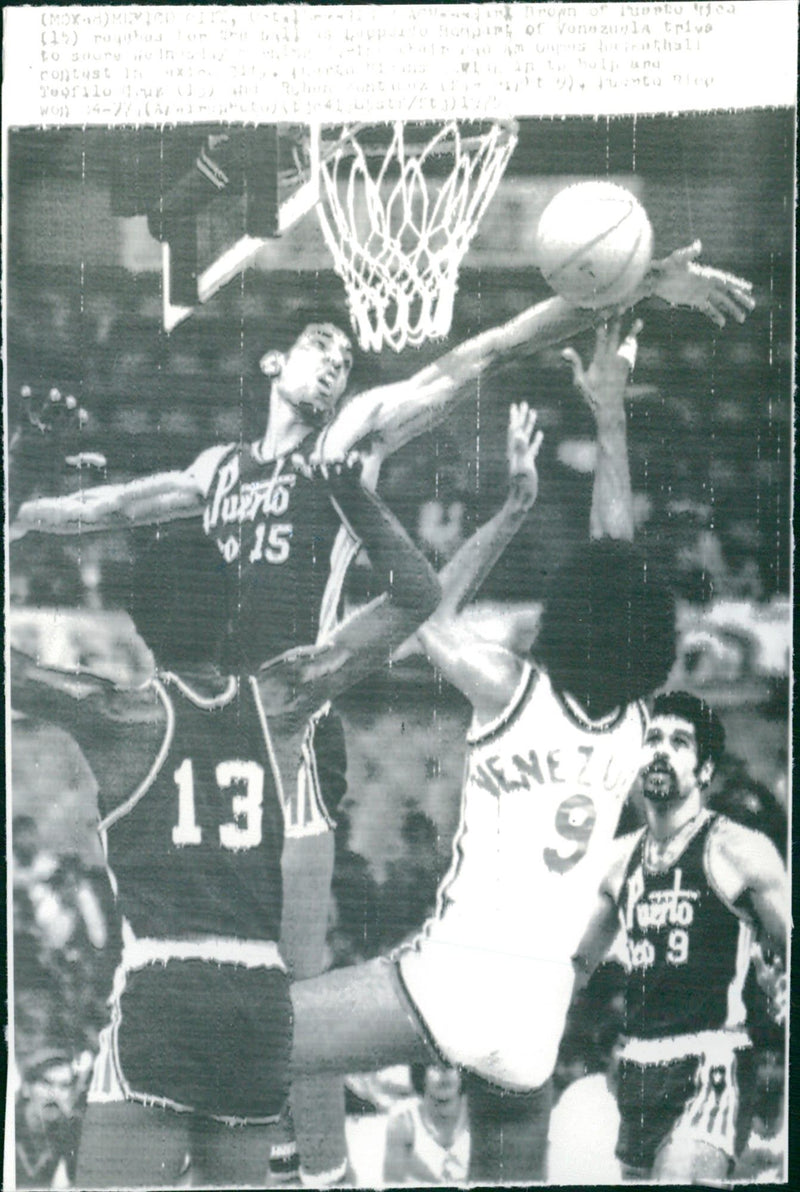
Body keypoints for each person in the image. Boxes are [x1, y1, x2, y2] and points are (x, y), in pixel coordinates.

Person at [9, 243, 754, 1180]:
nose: (337, 356)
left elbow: (477, 355)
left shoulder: (349, 439)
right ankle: (272, 1157)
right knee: (219, 985)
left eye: (347, 354)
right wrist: (23, 508)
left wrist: (603, 295)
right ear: (273, 364)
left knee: (257, 1005)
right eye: (318, 343)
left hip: (287, 730)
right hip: (521, 1004)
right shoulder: (213, 471)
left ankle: (312, 1170)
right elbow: (98, 507)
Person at [285, 318, 679, 1185]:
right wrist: (608, 413)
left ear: (570, 613)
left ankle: (324, 1181)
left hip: (460, 983)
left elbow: (427, 605)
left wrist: (514, 509)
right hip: (540, 1018)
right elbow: (621, 558)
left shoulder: (512, 689)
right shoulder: (633, 723)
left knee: (261, 1034)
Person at [10, 457, 441, 1189]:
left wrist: (14, 519)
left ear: (139, 622)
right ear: (232, 609)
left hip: (165, 996)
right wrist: (350, 493)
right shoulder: (281, 702)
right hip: (258, 1009)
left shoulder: (116, 716)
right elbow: (418, 592)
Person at [572, 691, 789, 1183]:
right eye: (653, 739)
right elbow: (577, 966)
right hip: (637, 1066)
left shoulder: (740, 850)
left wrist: (780, 994)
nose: (661, 751)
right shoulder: (617, 860)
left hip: (712, 1061)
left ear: (705, 771)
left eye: (680, 742)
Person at [383, 1065, 470, 1186]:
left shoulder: (480, 1116)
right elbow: (392, 1183)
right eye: (434, 1065)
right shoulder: (404, 1119)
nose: (444, 1073)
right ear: (421, 1073)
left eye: (451, 1065)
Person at [15, 1047, 82, 1190]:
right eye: (46, 1083)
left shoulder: (76, 1134)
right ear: (26, 1088)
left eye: (64, 1086)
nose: (54, 1094)